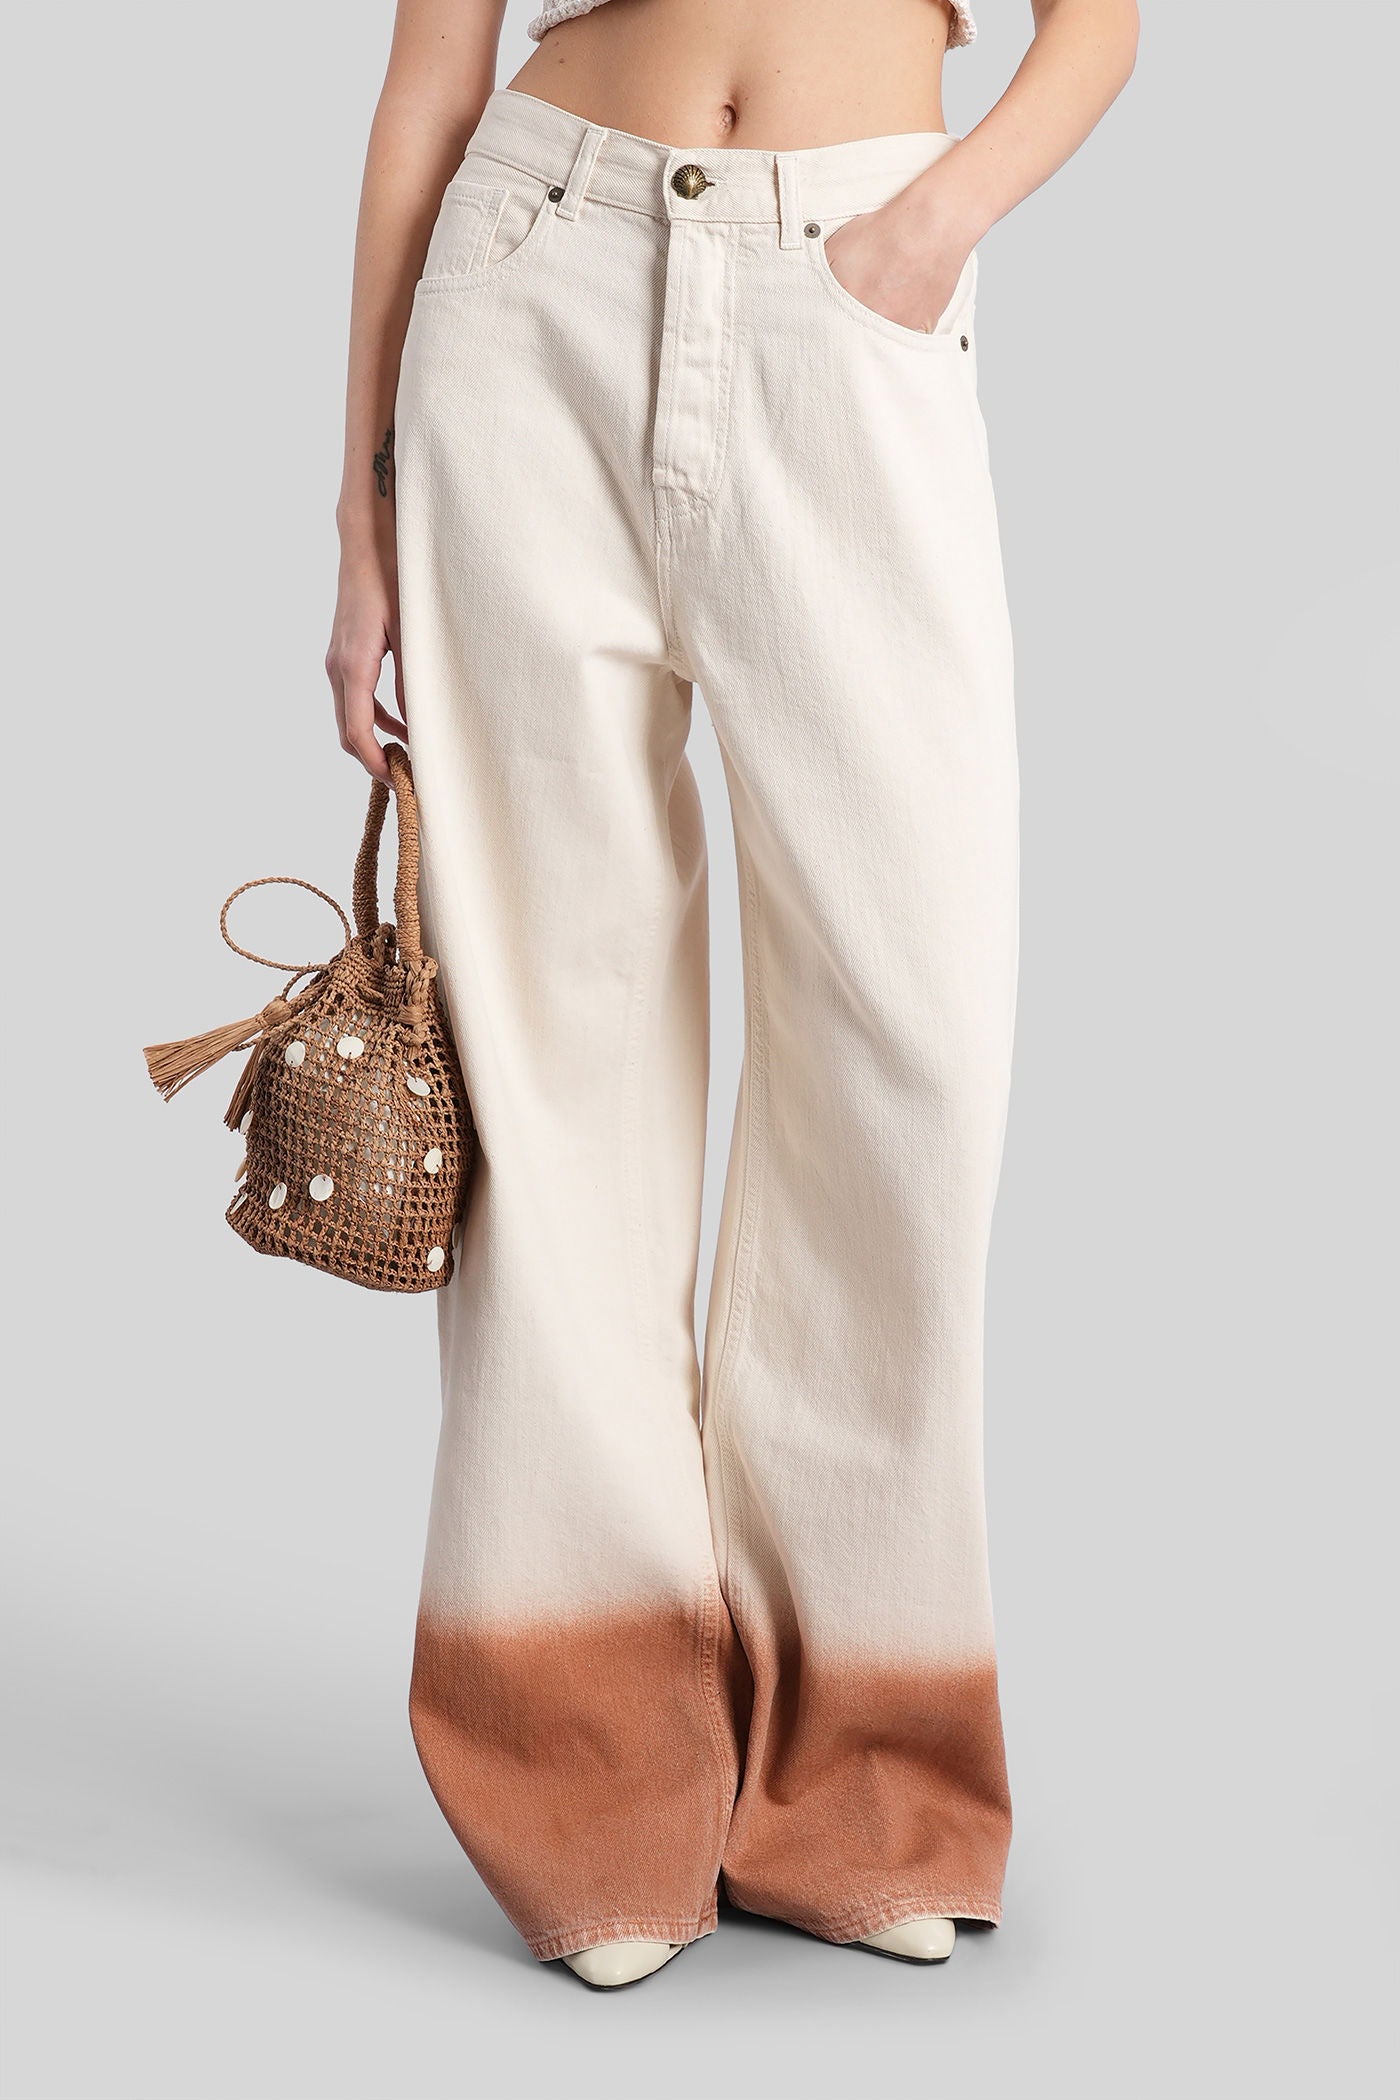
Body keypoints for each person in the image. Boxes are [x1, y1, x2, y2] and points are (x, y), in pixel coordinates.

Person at [326, 0, 1137, 1989]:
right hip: (535, 281)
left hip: (848, 287)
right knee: (554, 1048)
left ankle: (866, 1761)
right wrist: (362, 506)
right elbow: (432, 74)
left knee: (911, 1038)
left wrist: (929, 226)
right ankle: (585, 1762)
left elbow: (1099, 28)